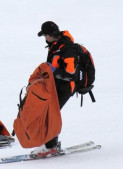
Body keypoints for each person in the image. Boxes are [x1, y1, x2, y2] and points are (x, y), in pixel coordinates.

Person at [30, 21, 78, 157]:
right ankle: (50, 145)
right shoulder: (55, 46)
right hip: (56, 85)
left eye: (45, 35)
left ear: (50, 35)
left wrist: (53, 72)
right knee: (48, 112)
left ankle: (51, 147)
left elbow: (70, 72)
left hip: (66, 87)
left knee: (51, 114)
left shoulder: (67, 48)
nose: (45, 39)